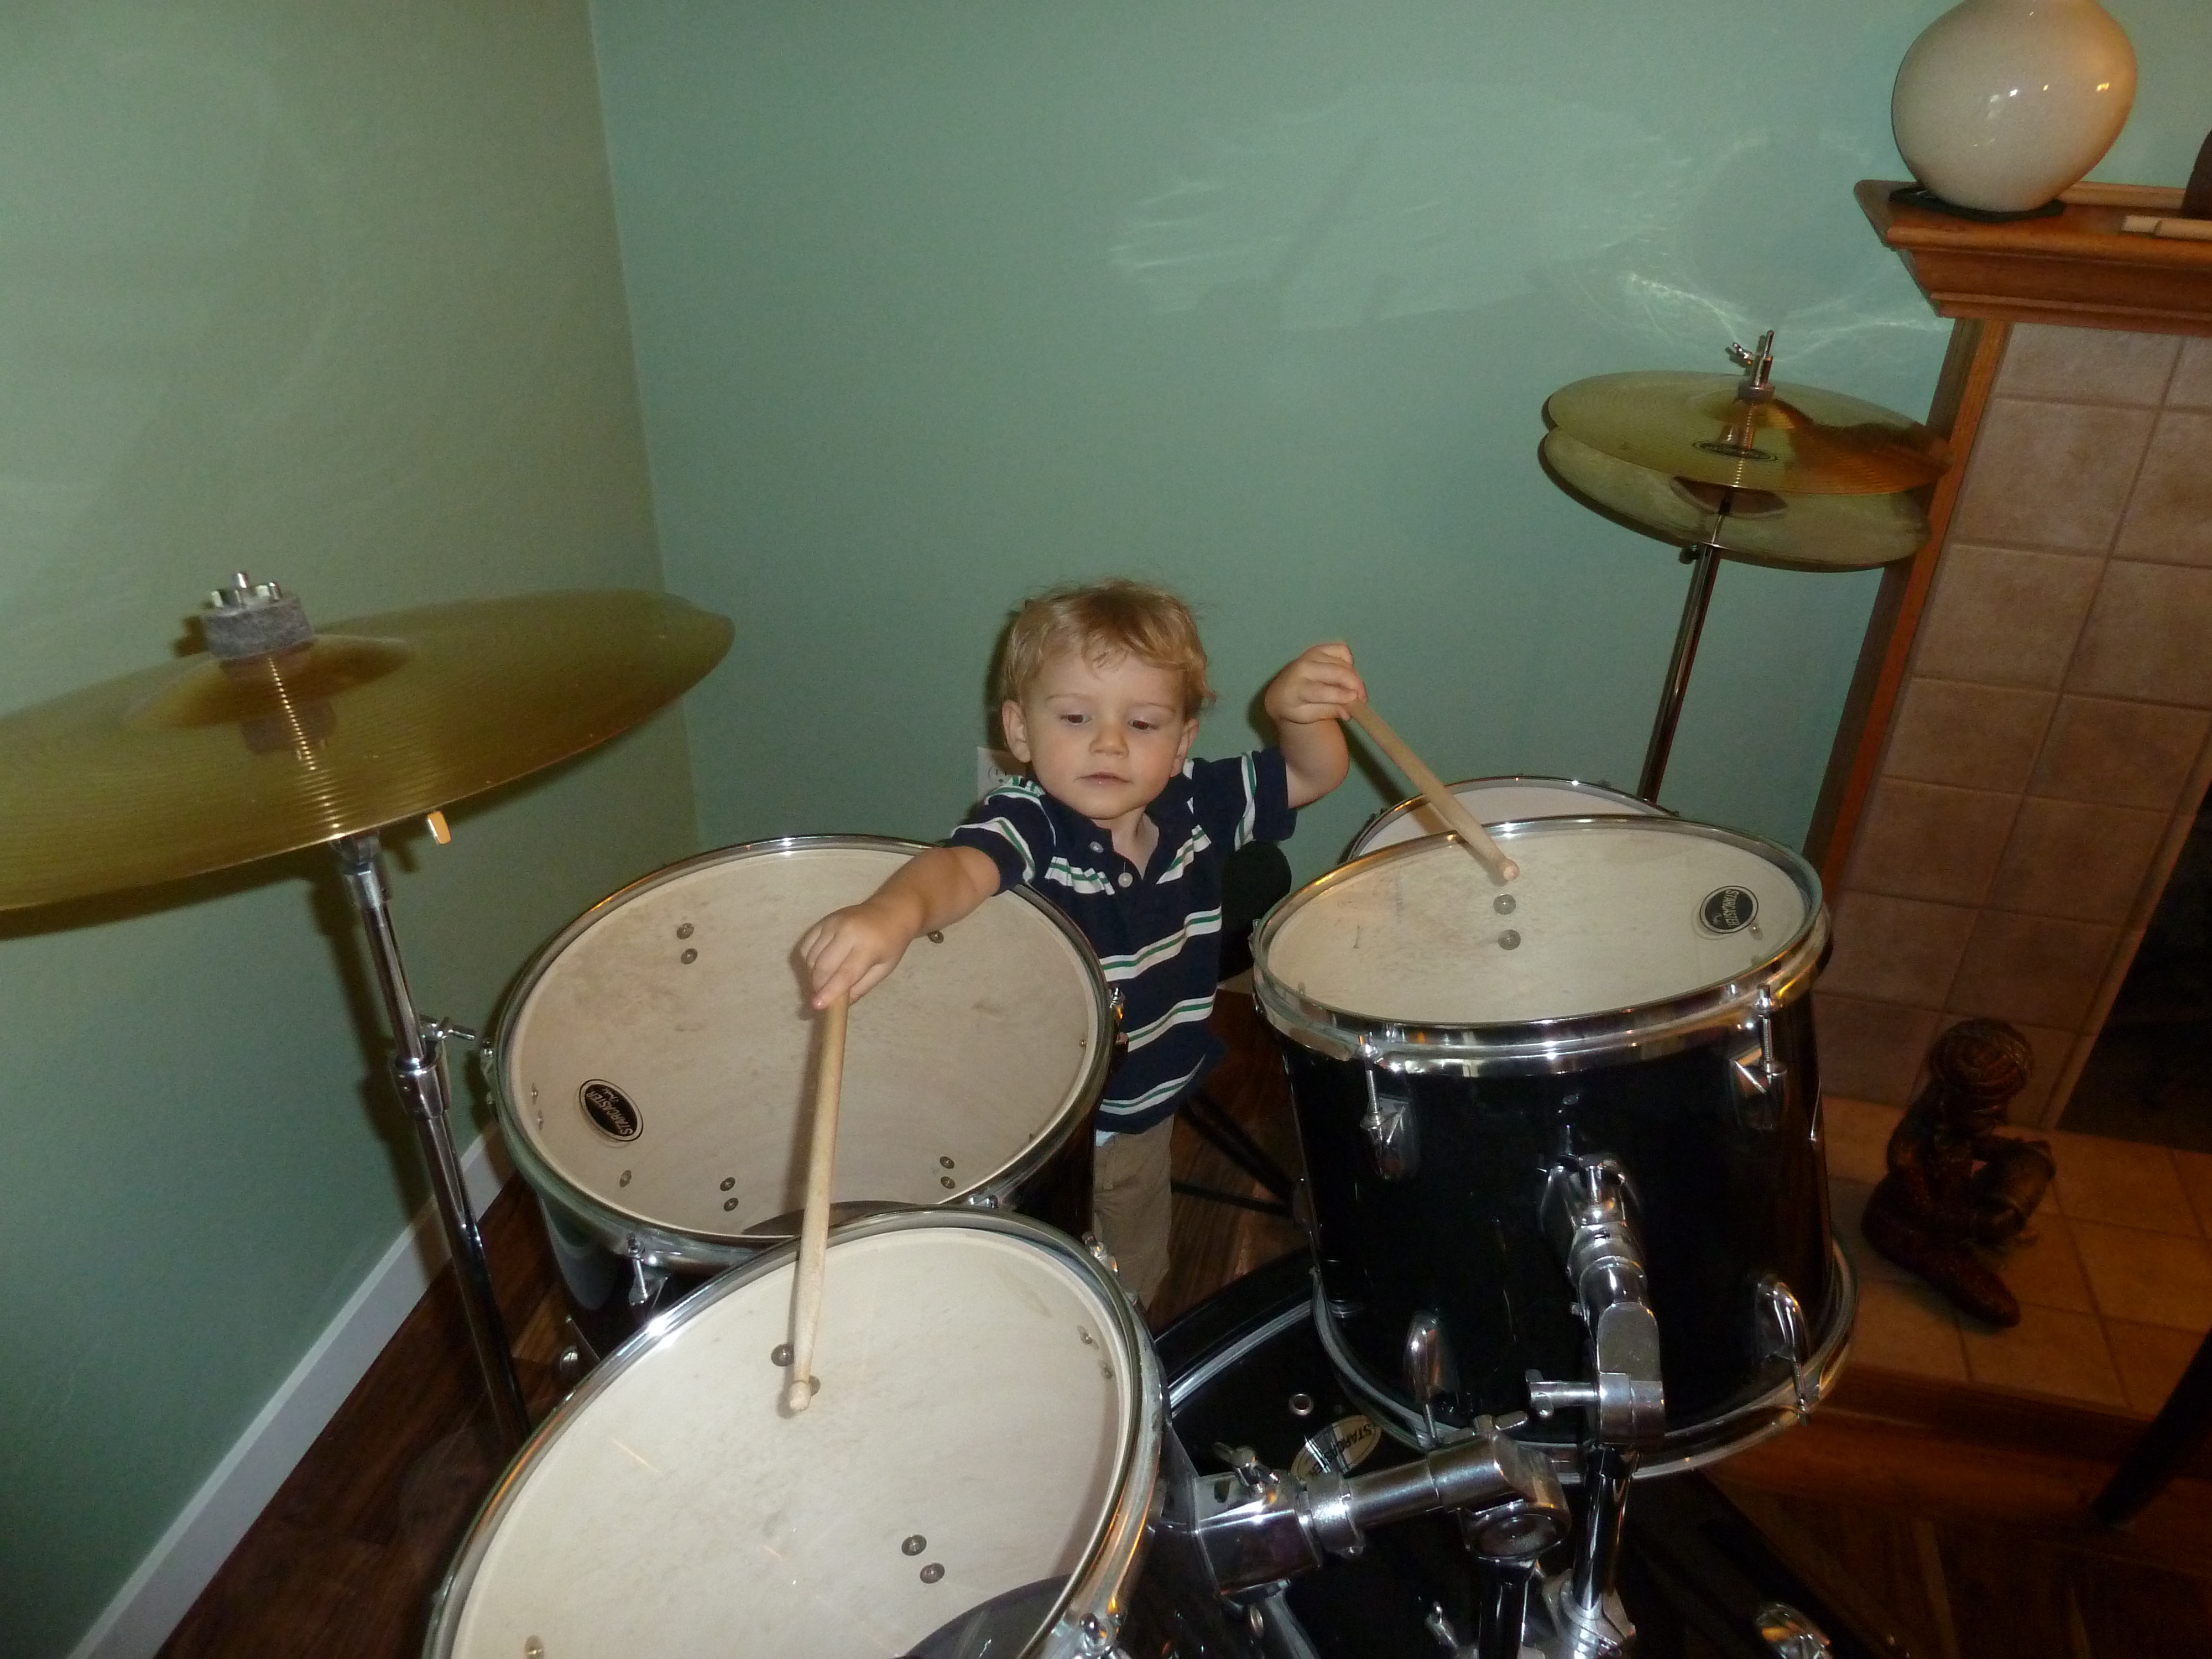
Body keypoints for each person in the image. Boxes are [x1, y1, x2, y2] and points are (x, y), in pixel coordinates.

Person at [801, 579, 1364, 1308]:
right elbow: (959, 869)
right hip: (1040, 1107)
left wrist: (1297, 716)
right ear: (1020, 731)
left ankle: (1124, 1322)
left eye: (1143, 723)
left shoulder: (1198, 804)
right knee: (1025, 1263)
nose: (1109, 742)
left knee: (1128, 1259)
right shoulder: (1030, 822)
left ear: (1181, 743)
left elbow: (1313, 772)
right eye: (1075, 717)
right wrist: (893, 911)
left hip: (1144, 1104)